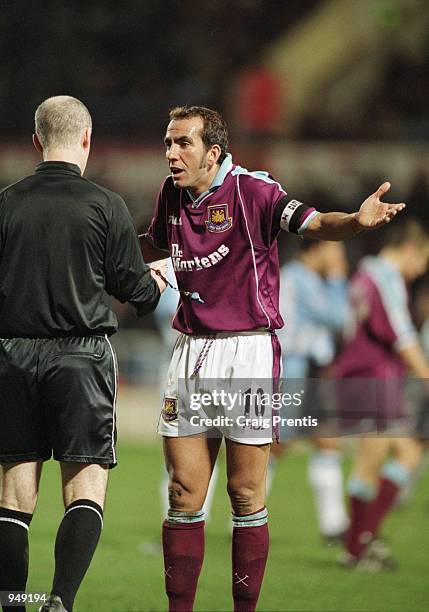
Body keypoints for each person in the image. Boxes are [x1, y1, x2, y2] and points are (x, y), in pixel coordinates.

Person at [139, 105, 405, 612]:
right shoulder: (169, 195)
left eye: (183, 144)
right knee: (183, 494)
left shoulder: (254, 191)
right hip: (191, 350)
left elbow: (314, 222)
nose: (171, 153)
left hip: (248, 353)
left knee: (244, 494)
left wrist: (355, 220)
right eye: (168, 143)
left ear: (212, 151)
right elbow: (153, 248)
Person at [0, 95, 166, 612]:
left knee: (12, 497)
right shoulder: (105, 205)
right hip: (81, 357)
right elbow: (136, 292)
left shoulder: (5, 203)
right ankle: (58, 601)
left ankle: (13, 602)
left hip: (12, 356)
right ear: (87, 140)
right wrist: (156, 279)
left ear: (36, 142)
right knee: (86, 488)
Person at [335, 219, 429, 570]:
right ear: (409, 249)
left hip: (366, 376)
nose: (421, 270)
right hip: (371, 378)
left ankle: (364, 536)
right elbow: (402, 334)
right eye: (422, 260)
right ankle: (358, 548)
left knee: (407, 452)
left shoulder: (363, 275)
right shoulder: (384, 277)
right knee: (369, 463)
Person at [274, 241, 350, 542]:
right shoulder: (298, 278)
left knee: (327, 443)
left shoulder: (302, 278)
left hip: (310, 371)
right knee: (276, 447)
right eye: (336, 250)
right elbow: (339, 317)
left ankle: (334, 524)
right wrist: (336, 277)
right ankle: (244, 517)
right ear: (318, 249)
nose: (340, 258)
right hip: (294, 370)